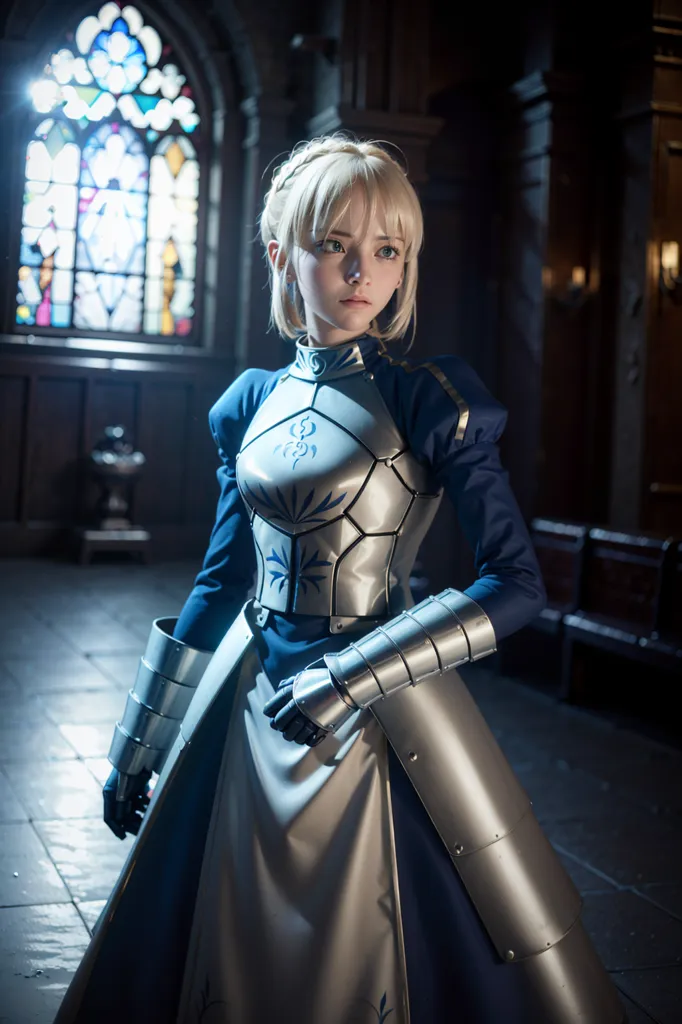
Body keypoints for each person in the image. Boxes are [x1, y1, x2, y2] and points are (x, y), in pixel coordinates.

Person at [55, 134, 624, 1024]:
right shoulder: (246, 402)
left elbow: (516, 584)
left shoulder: (430, 399)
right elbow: (217, 584)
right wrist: (139, 745)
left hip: (379, 706)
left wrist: (351, 676)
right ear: (283, 254)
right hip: (251, 704)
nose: (363, 271)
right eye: (335, 245)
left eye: (387, 250)